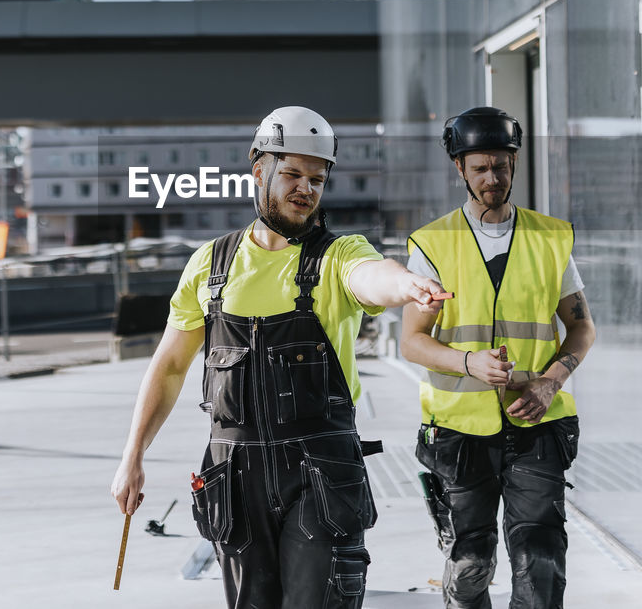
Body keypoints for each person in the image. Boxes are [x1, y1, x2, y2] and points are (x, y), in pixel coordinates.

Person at [111, 106, 447, 608]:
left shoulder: (338, 255)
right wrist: (132, 456)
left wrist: (406, 285)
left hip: (320, 471)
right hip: (235, 475)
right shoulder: (212, 266)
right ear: (259, 171)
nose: (305, 189)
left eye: (316, 179)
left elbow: (374, 275)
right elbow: (171, 365)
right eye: (291, 174)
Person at [400, 107, 596, 609]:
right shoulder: (432, 244)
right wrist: (470, 364)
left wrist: (550, 382)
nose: (493, 178)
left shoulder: (550, 239)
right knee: (471, 564)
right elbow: (412, 341)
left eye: (502, 165)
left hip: (538, 425)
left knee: (541, 558)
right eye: (481, 167)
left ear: (514, 164)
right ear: (460, 169)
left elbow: (581, 327)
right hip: (460, 432)